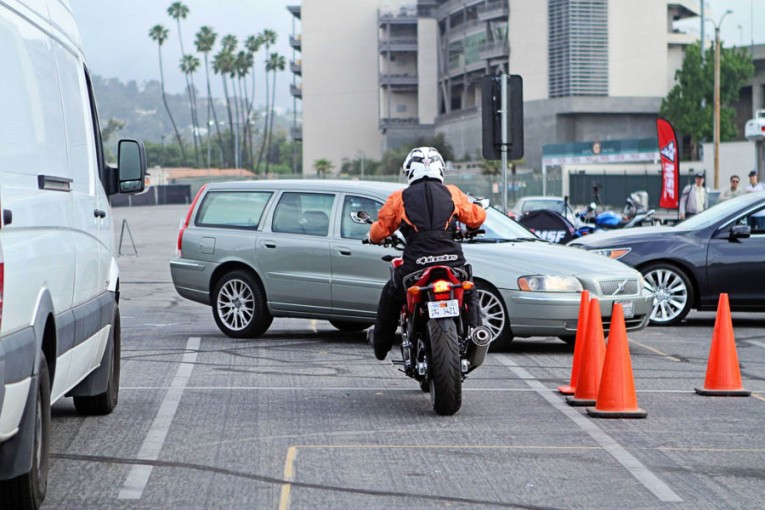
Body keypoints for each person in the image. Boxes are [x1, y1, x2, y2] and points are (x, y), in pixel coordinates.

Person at [366, 146, 486, 360]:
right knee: (469, 291)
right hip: (452, 261)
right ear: (440, 168)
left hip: (416, 264)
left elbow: (380, 230)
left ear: (409, 171)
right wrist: (476, 210)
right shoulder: (452, 192)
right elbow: (476, 218)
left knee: (391, 295)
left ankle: (380, 346)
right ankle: (477, 335)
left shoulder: (400, 197)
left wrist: (373, 236)